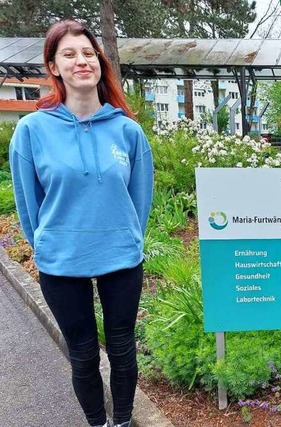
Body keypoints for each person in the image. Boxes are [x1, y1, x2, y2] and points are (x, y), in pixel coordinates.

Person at [10, 20, 154, 427]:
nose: (81, 61)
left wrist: (126, 237)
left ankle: (122, 422)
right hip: (61, 261)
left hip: (121, 258)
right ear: (54, 67)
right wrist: (46, 242)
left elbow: (139, 199)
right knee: (84, 352)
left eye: (88, 53)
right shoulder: (32, 130)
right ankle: (97, 422)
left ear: (99, 61)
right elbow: (28, 203)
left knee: (123, 349)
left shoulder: (127, 130)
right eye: (69, 54)